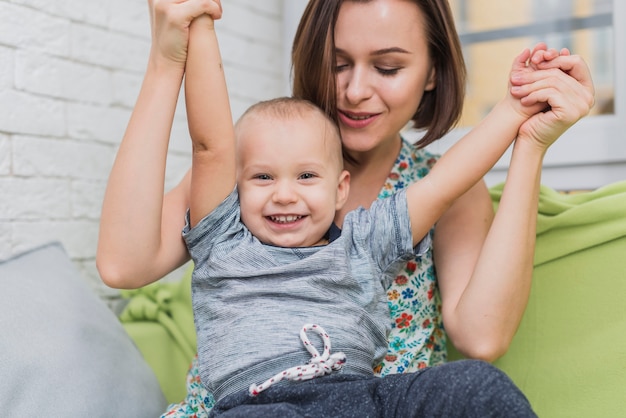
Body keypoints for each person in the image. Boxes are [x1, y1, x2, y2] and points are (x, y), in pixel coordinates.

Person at [96, 0, 594, 415]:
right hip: (250, 405)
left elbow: (481, 338)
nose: (356, 91)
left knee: (476, 385)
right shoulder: (245, 175)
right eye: (338, 64)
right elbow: (124, 262)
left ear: (431, 73)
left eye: (388, 67)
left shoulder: (409, 207)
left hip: (370, 400)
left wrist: (528, 138)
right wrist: (167, 61)